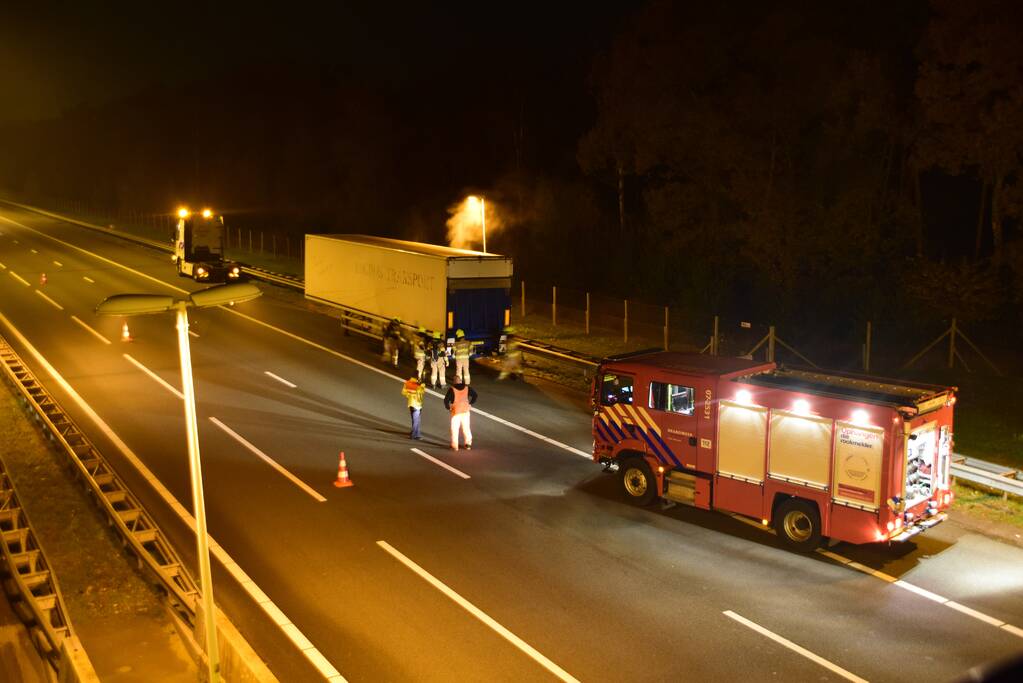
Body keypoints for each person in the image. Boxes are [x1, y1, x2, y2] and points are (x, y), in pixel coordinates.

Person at [444, 380, 477, 450]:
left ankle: (455, 446)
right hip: (465, 411)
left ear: (454, 382)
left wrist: (448, 408)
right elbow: (475, 395)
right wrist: (470, 403)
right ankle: (468, 444)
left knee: (455, 429)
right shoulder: (467, 388)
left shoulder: (452, 389)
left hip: (456, 412)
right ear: (460, 381)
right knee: (466, 428)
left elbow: (446, 400)